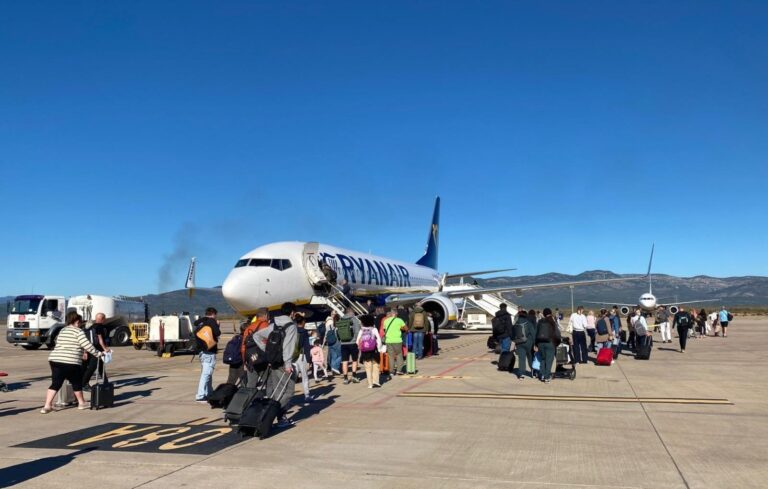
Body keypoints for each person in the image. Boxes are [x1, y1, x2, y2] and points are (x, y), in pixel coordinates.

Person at [41, 312, 107, 413]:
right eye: (80, 322)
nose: (80, 324)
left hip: (55, 359)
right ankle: (81, 403)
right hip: (70, 361)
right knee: (77, 382)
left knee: (56, 383)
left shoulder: (63, 330)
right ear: (76, 321)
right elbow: (87, 345)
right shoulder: (78, 331)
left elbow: (58, 343)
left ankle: (47, 406)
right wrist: (98, 353)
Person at [193, 307, 221, 403]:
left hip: (201, 351)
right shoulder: (212, 321)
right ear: (213, 314)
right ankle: (200, 395)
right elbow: (217, 333)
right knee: (206, 374)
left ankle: (209, 392)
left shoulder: (201, 322)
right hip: (209, 351)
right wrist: (217, 325)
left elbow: (195, 324)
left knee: (208, 373)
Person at [82, 312, 109, 391]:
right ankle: (84, 383)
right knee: (92, 367)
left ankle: (106, 382)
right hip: (97, 350)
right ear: (103, 319)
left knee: (100, 366)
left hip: (89, 349)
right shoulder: (100, 327)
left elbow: (86, 340)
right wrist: (105, 349)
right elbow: (100, 340)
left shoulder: (90, 327)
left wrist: (85, 352)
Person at [356, 314, 383, 388]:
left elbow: (357, 341)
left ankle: (370, 384)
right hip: (374, 351)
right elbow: (379, 339)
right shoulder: (374, 329)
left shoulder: (362, 330)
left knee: (368, 368)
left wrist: (360, 347)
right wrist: (379, 348)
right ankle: (376, 382)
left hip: (365, 352)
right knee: (375, 365)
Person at [534, 308, 561, 383]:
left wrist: (536, 344)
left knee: (542, 359)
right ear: (550, 313)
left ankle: (542, 375)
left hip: (540, 343)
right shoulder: (552, 322)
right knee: (549, 360)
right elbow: (557, 334)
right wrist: (557, 343)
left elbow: (536, 333)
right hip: (550, 343)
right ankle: (547, 377)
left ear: (544, 314)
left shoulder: (540, 321)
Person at [293, 314, 313, 403]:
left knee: (293, 377)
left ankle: (289, 398)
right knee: (304, 376)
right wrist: (309, 360)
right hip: (301, 356)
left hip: (292, 357)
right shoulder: (304, 332)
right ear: (303, 322)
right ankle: (307, 395)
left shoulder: (292, 331)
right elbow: (307, 346)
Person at [339, 308, 362, 384]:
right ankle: (354, 376)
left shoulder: (340, 320)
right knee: (354, 360)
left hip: (343, 344)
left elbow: (337, 332)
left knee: (345, 361)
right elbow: (358, 332)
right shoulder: (354, 320)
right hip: (353, 343)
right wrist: (357, 341)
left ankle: (345, 378)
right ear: (351, 312)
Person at [382, 308, 407, 376]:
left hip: (388, 340)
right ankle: (399, 370)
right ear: (396, 313)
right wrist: (400, 328)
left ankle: (391, 371)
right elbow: (406, 328)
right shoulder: (399, 320)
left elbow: (384, 330)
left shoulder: (386, 321)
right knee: (399, 355)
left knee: (391, 356)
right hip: (397, 340)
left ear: (391, 313)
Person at [513, 310, 537, 380]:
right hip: (529, 343)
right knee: (530, 357)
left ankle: (521, 374)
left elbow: (513, 335)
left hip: (519, 343)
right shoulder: (528, 323)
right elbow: (533, 334)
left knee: (521, 358)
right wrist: (535, 343)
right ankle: (533, 372)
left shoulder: (516, 324)